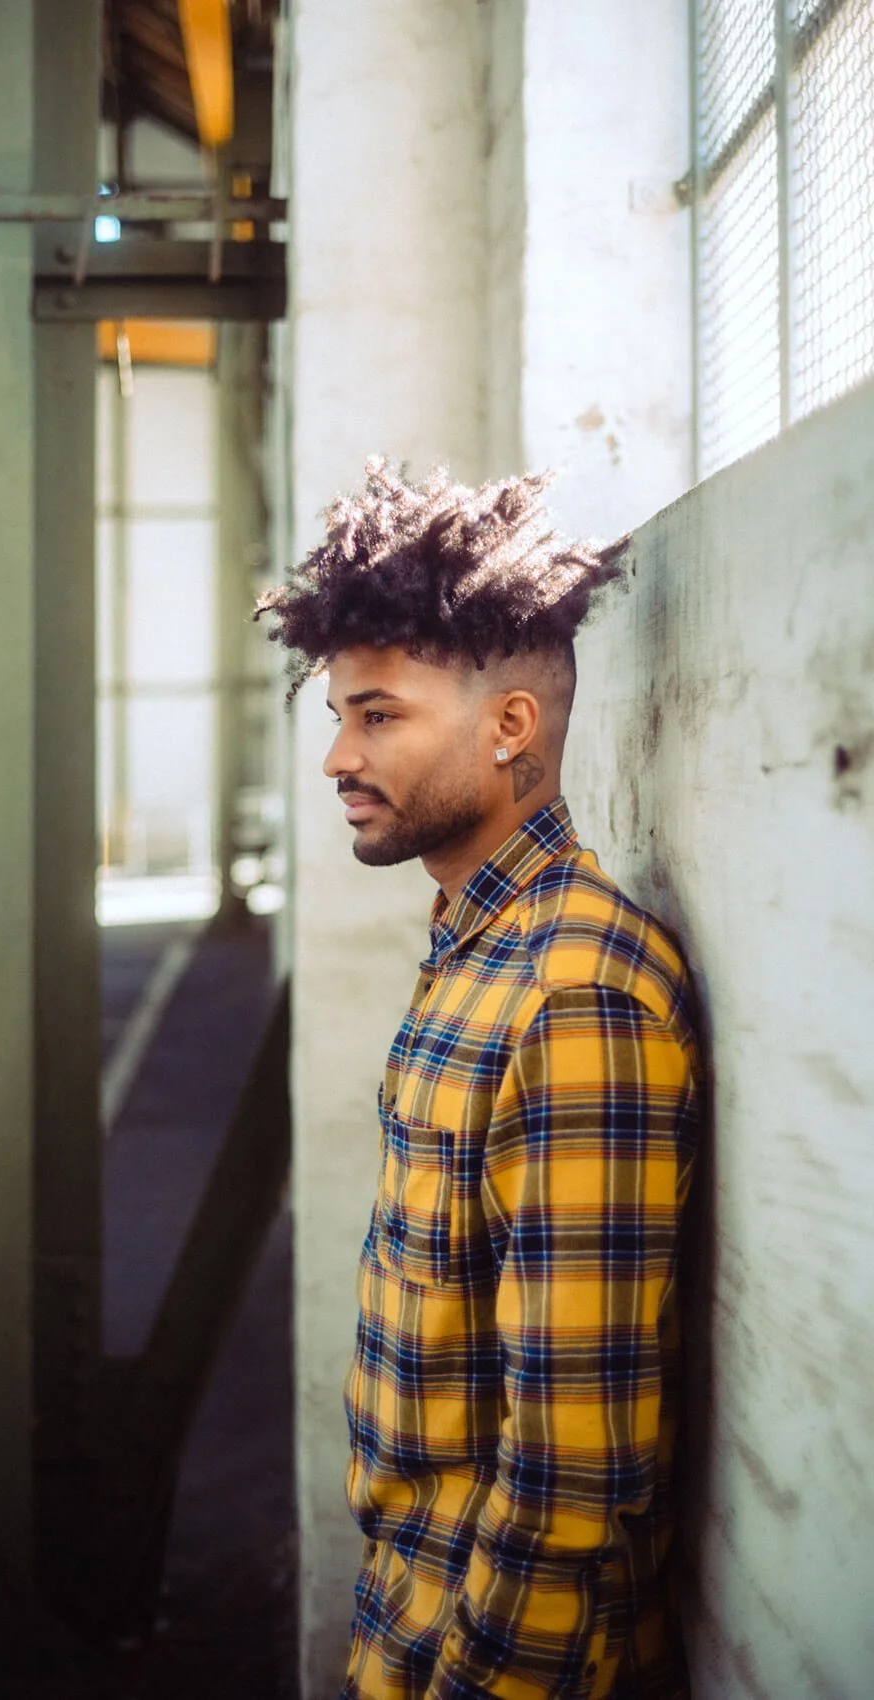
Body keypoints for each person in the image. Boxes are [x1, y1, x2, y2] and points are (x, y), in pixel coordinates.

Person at [255, 460, 700, 1700]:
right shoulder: (478, 941)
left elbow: (571, 1470)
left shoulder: (574, 999)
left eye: (379, 714)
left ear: (509, 727)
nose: (338, 753)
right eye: (338, 712)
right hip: (408, 1614)